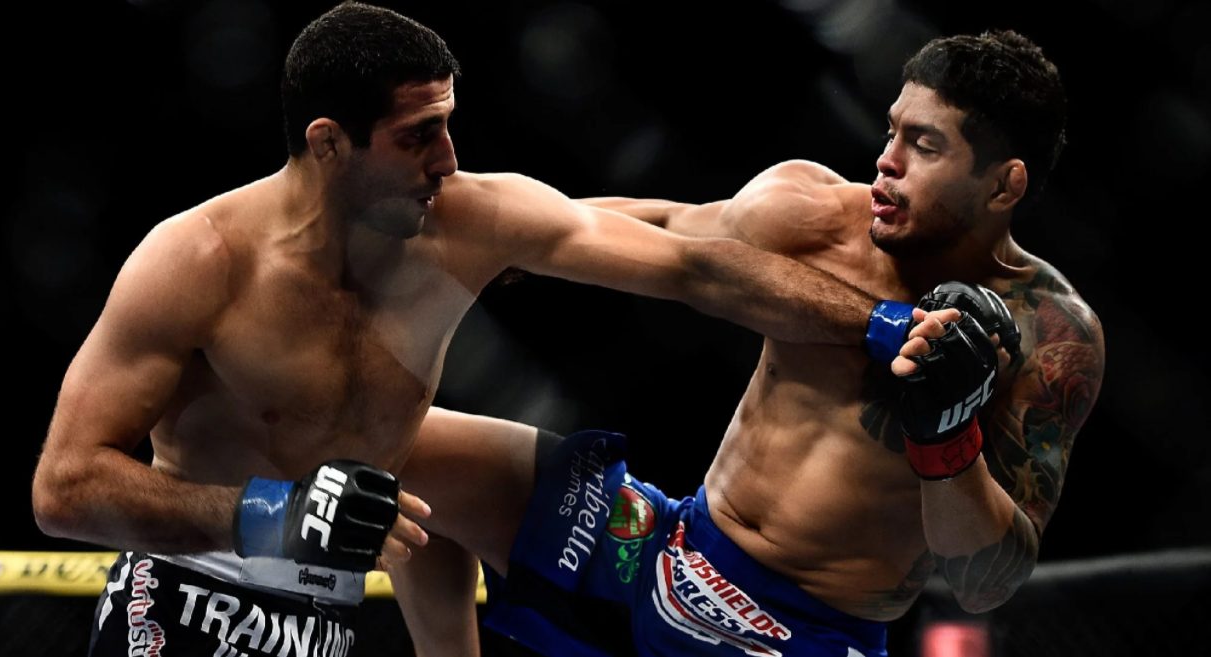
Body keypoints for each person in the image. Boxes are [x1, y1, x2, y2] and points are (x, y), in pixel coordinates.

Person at [29, 3, 920, 656]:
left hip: (325, 622)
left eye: (448, 126)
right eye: (418, 136)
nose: (447, 159)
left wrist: (888, 324)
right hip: (191, 595)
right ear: (329, 143)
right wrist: (271, 514)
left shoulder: (468, 221)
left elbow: (695, 264)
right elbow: (63, 487)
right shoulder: (199, 260)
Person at [394, 30, 1104, 656]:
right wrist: (497, 242)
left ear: (1003, 185)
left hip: (805, 634)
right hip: (671, 548)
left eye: (924, 146)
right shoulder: (815, 216)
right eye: (891, 132)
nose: (886, 162)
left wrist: (947, 441)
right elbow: (671, 230)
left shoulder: (1049, 336)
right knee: (399, 445)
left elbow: (986, 581)